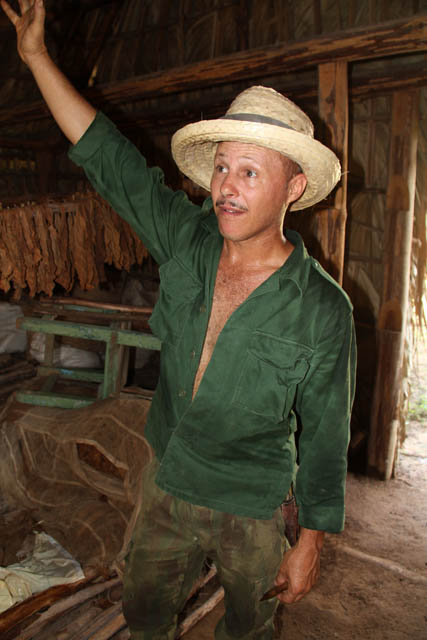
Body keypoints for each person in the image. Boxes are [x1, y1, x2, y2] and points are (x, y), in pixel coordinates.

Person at [2, 1, 356, 638]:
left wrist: (311, 541)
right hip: (167, 484)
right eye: (222, 167)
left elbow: (327, 436)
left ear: (293, 188)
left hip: (252, 505)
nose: (227, 186)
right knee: (144, 616)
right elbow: (111, 160)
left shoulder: (324, 308)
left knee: (251, 628)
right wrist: (35, 58)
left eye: (250, 171)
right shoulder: (188, 241)